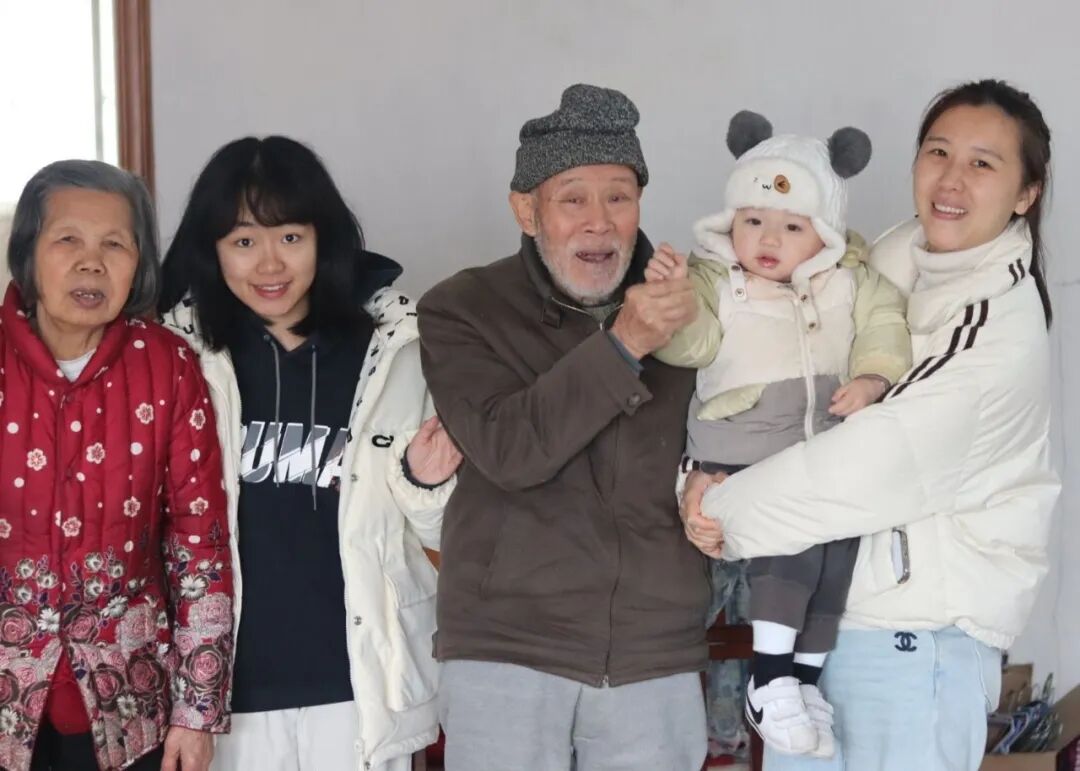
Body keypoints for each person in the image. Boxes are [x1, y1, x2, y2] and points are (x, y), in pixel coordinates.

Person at [682, 79, 1061, 770]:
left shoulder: (997, 324)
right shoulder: (876, 260)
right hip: (823, 637)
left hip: (913, 644)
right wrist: (696, 473)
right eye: (938, 152)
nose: (951, 178)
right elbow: (757, 382)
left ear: (1025, 193)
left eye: (982, 163)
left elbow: (871, 465)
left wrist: (717, 509)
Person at [418, 83, 709, 771]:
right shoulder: (462, 309)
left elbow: (741, 429)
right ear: (528, 210)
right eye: (573, 199)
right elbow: (510, 450)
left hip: (652, 650)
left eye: (619, 197)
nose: (599, 223)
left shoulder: (696, 305)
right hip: (506, 648)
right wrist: (625, 343)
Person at [157, 136, 460, 771]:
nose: (270, 263)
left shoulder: (398, 350)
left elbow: (445, 535)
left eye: (290, 237)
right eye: (244, 241)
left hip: (361, 690)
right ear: (212, 249)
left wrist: (426, 483)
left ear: (324, 238)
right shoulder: (177, 356)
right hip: (223, 697)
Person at [647, 111, 911, 758]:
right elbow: (689, 347)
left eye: (792, 226)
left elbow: (885, 325)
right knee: (793, 541)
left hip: (817, 453)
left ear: (823, 233)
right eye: (754, 220)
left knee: (838, 553)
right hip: (736, 458)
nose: (768, 238)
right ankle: (769, 679)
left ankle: (805, 681)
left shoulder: (851, 281)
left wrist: (873, 377)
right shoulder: (717, 280)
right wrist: (673, 300)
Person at [0, 160, 233, 771]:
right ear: (28, 254)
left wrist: (197, 711)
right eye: (67, 239)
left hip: (128, 708)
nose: (91, 262)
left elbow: (199, 547)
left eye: (114, 244)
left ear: (139, 264)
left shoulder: (168, 367)